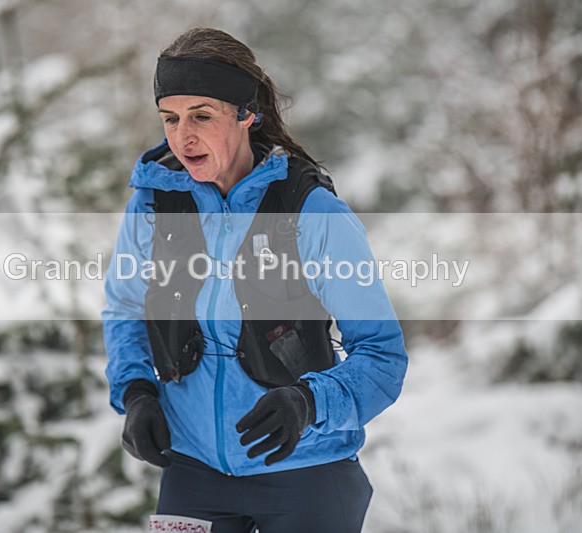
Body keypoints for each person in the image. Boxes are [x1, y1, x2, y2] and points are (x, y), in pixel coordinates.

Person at [102, 27, 408, 533]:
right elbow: (125, 308)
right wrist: (135, 391)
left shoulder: (310, 211)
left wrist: (308, 403)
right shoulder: (155, 203)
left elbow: (382, 356)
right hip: (193, 471)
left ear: (247, 114)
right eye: (170, 118)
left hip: (303, 471)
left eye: (202, 116)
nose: (183, 136)